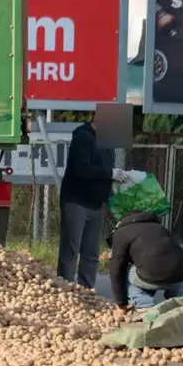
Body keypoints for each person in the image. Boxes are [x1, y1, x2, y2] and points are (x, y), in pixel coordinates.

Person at [58, 116, 126, 289]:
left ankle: (86, 290)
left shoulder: (107, 143)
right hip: (77, 201)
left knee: (91, 252)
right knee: (70, 250)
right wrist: (110, 173)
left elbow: (106, 170)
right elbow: (83, 168)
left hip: (97, 203)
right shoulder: (83, 137)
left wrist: (113, 182)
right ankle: (65, 289)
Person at [106, 211, 183, 317]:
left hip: (152, 275)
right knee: (170, 263)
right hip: (180, 274)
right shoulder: (159, 228)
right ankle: (180, 300)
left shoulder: (121, 232)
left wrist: (121, 304)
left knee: (125, 270)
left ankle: (144, 304)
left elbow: (116, 270)